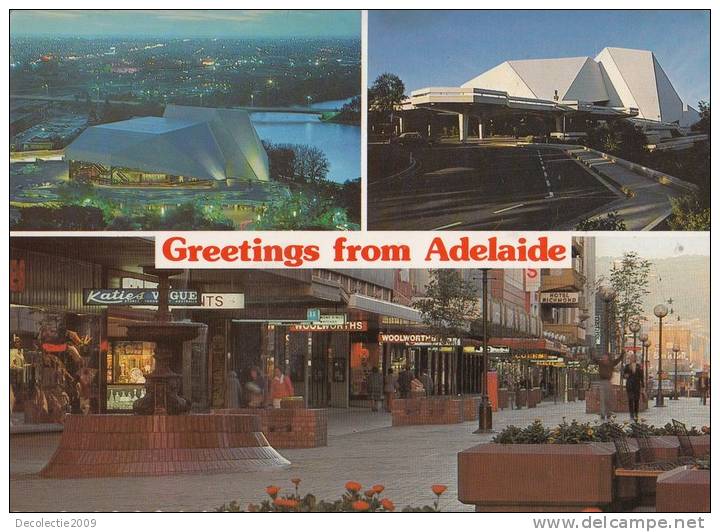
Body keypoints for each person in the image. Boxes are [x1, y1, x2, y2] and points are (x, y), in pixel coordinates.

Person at [596, 351, 624, 421]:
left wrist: (622, 354)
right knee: (602, 398)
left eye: (605, 356)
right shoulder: (600, 363)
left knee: (608, 398)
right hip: (602, 381)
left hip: (608, 382)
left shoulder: (611, 363)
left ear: (608, 357)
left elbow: (618, 360)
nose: (604, 357)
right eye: (603, 356)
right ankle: (602, 414)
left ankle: (608, 413)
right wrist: (591, 351)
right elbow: (594, 359)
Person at [622, 353, 644, 422]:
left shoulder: (639, 366)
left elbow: (641, 376)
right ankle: (631, 414)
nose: (632, 359)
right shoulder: (627, 366)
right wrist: (626, 375)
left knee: (636, 400)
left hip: (637, 385)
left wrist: (643, 386)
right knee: (630, 399)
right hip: (629, 385)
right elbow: (623, 375)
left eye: (633, 357)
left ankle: (636, 413)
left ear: (635, 359)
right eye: (631, 357)